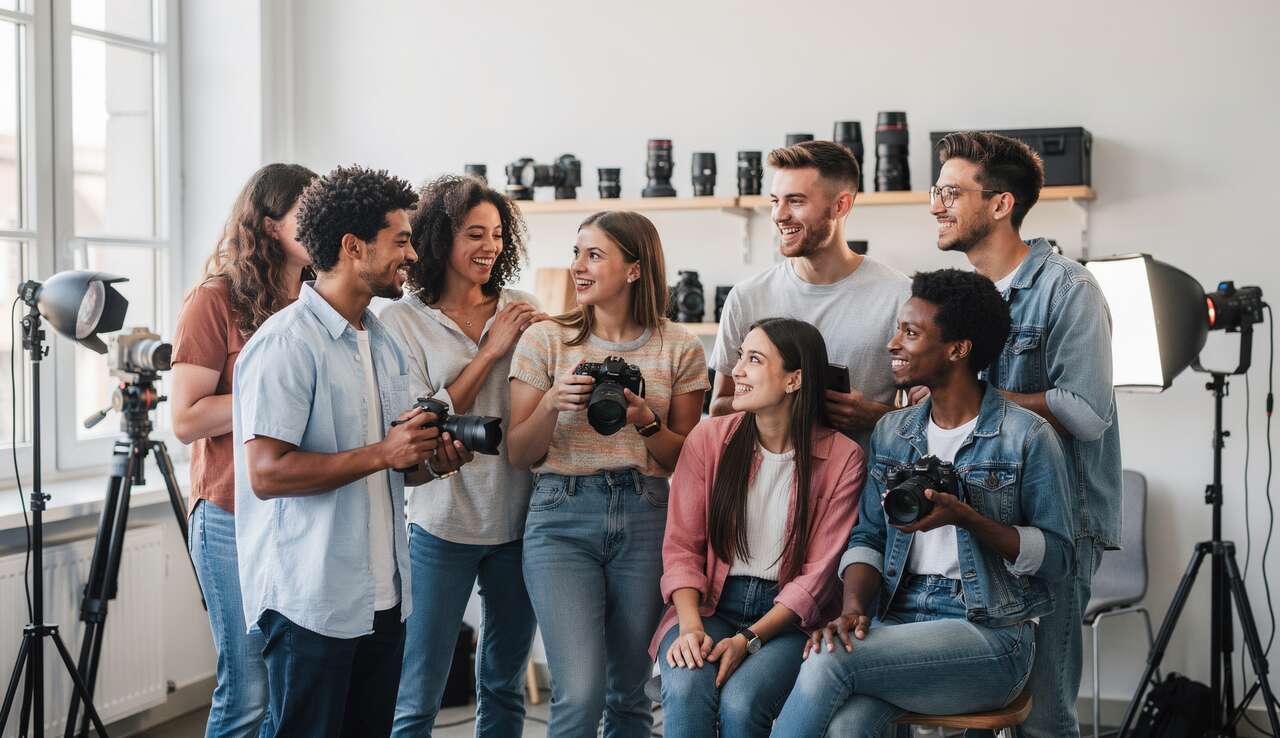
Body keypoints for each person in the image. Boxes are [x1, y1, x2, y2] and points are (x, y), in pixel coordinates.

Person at [770, 269, 1075, 738]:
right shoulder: (895, 432)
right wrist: (852, 608)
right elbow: (869, 536)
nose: (893, 343)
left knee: (829, 661)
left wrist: (968, 519)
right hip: (898, 617)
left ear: (958, 349)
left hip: (990, 634)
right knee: (847, 727)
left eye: (910, 333)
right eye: (898, 329)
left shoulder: (1027, 437)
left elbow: (1058, 558)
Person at [234, 165, 470, 737]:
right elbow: (267, 473)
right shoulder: (287, 343)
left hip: (383, 599)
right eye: (402, 240)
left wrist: (429, 461)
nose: (412, 254)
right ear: (352, 246)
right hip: (311, 603)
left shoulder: (381, 338)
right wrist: (384, 453)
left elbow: (392, 466)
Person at [929, 130, 1121, 738]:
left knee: (1042, 718)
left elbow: (1087, 412)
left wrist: (977, 398)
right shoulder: (959, 301)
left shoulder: (1069, 288)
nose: (936, 204)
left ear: (1001, 204)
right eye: (937, 190)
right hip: (977, 520)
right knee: (974, 710)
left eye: (951, 192)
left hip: (1055, 525)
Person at [506, 210, 710, 738]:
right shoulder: (546, 341)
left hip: (646, 514)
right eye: (576, 253)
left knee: (631, 694)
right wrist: (552, 403)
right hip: (559, 517)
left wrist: (646, 423)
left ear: (634, 269)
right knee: (579, 693)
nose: (578, 266)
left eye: (593, 255)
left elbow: (685, 460)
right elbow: (517, 453)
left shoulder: (680, 348)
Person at [380, 174, 541, 737]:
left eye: (497, 234)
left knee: (502, 684)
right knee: (417, 689)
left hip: (518, 522)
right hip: (438, 525)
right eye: (475, 233)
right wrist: (493, 349)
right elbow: (424, 418)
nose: (490, 247)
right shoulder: (400, 321)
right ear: (439, 239)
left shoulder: (523, 308)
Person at [655, 317, 865, 738]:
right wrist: (691, 627)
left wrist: (748, 638)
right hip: (708, 604)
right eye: (739, 357)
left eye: (754, 360)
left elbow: (819, 577)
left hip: (787, 619)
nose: (737, 371)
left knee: (743, 700)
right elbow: (681, 548)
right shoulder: (708, 439)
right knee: (685, 686)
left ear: (794, 379)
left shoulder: (844, 458)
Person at [171, 162, 315, 738]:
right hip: (230, 516)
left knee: (287, 689)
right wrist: (273, 398)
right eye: (308, 211)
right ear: (269, 223)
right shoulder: (214, 300)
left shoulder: (315, 301)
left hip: (297, 514)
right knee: (247, 690)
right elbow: (185, 418)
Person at [709, 140, 909, 449]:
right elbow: (720, 407)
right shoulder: (747, 297)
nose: (778, 214)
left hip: (861, 489)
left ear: (840, 205)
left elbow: (934, 416)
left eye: (796, 201)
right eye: (776, 200)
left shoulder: (899, 297)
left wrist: (876, 417)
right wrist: (781, 405)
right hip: (767, 487)